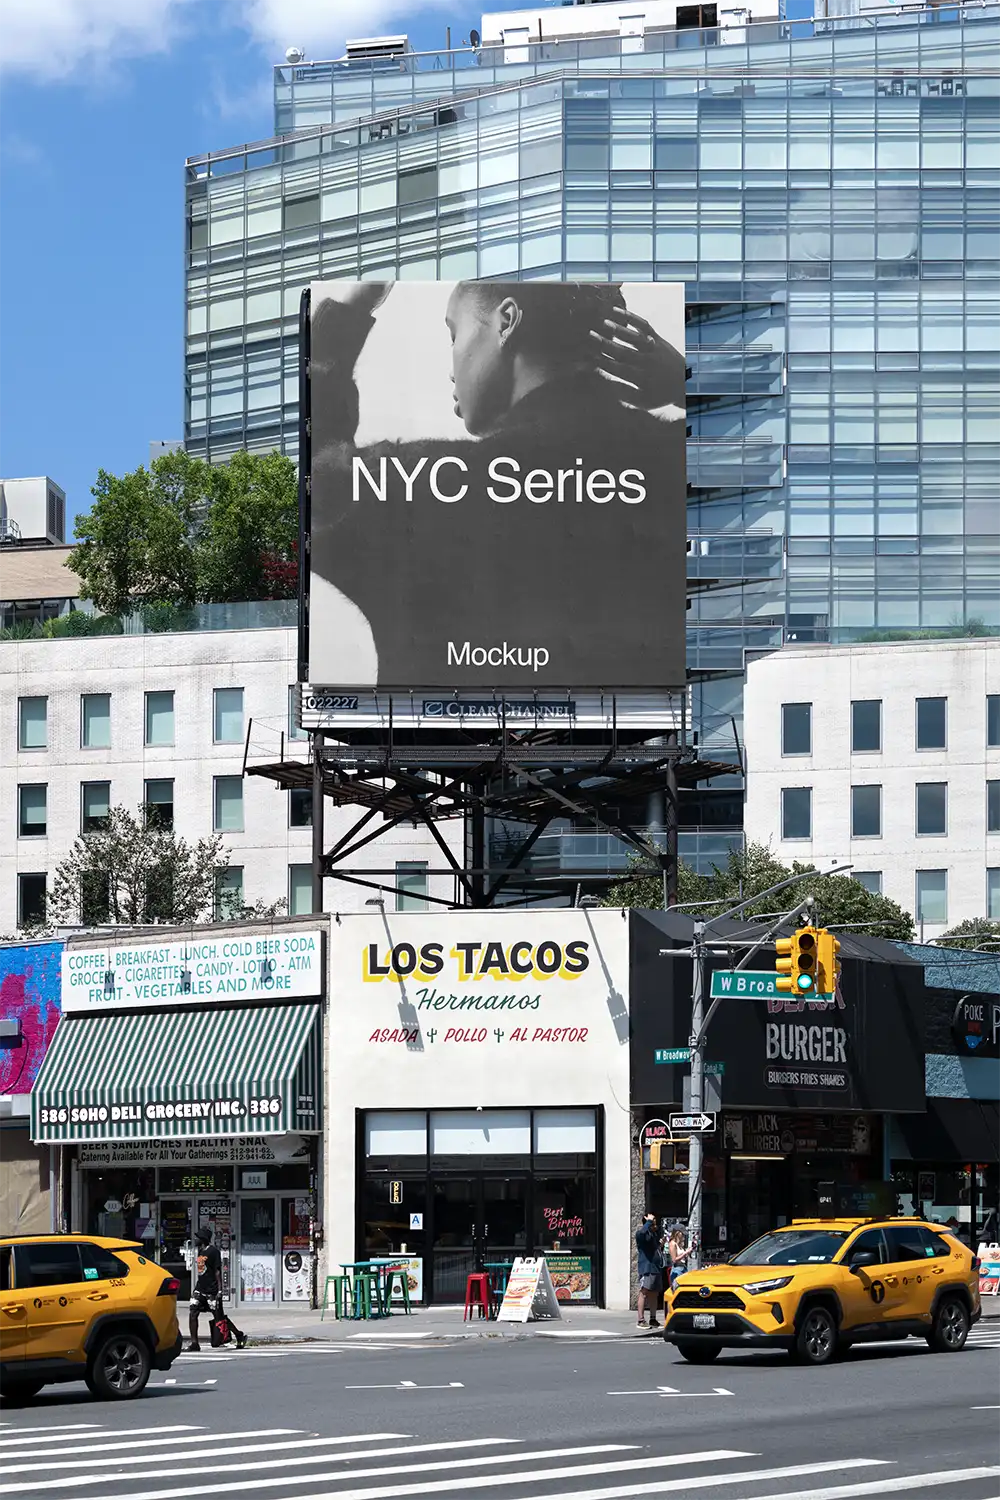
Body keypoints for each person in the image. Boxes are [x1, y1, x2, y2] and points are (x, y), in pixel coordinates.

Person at [308, 280, 687, 689]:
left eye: (455, 333)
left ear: (507, 320)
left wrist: (347, 315)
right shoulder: (670, 460)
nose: (452, 368)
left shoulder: (421, 483)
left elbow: (317, 494)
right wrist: (686, 383)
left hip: (443, 744)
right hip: (622, 736)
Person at [186, 1229, 246, 1352]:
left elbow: (218, 1271)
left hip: (212, 1291)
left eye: (197, 1238)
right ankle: (194, 1343)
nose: (195, 1240)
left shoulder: (213, 1252)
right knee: (193, 1313)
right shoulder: (200, 1251)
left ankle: (239, 1335)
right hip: (200, 1288)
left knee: (219, 1318)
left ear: (203, 1239)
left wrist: (220, 1291)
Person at [635, 1211, 664, 1329]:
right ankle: (641, 1320)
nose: (655, 1226)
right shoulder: (641, 1234)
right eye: (653, 1223)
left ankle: (653, 1318)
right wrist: (648, 1222)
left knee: (654, 1293)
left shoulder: (653, 1235)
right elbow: (642, 1233)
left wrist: (660, 1244)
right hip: (647, 1268)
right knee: (644, 1292)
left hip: (656, 1268)